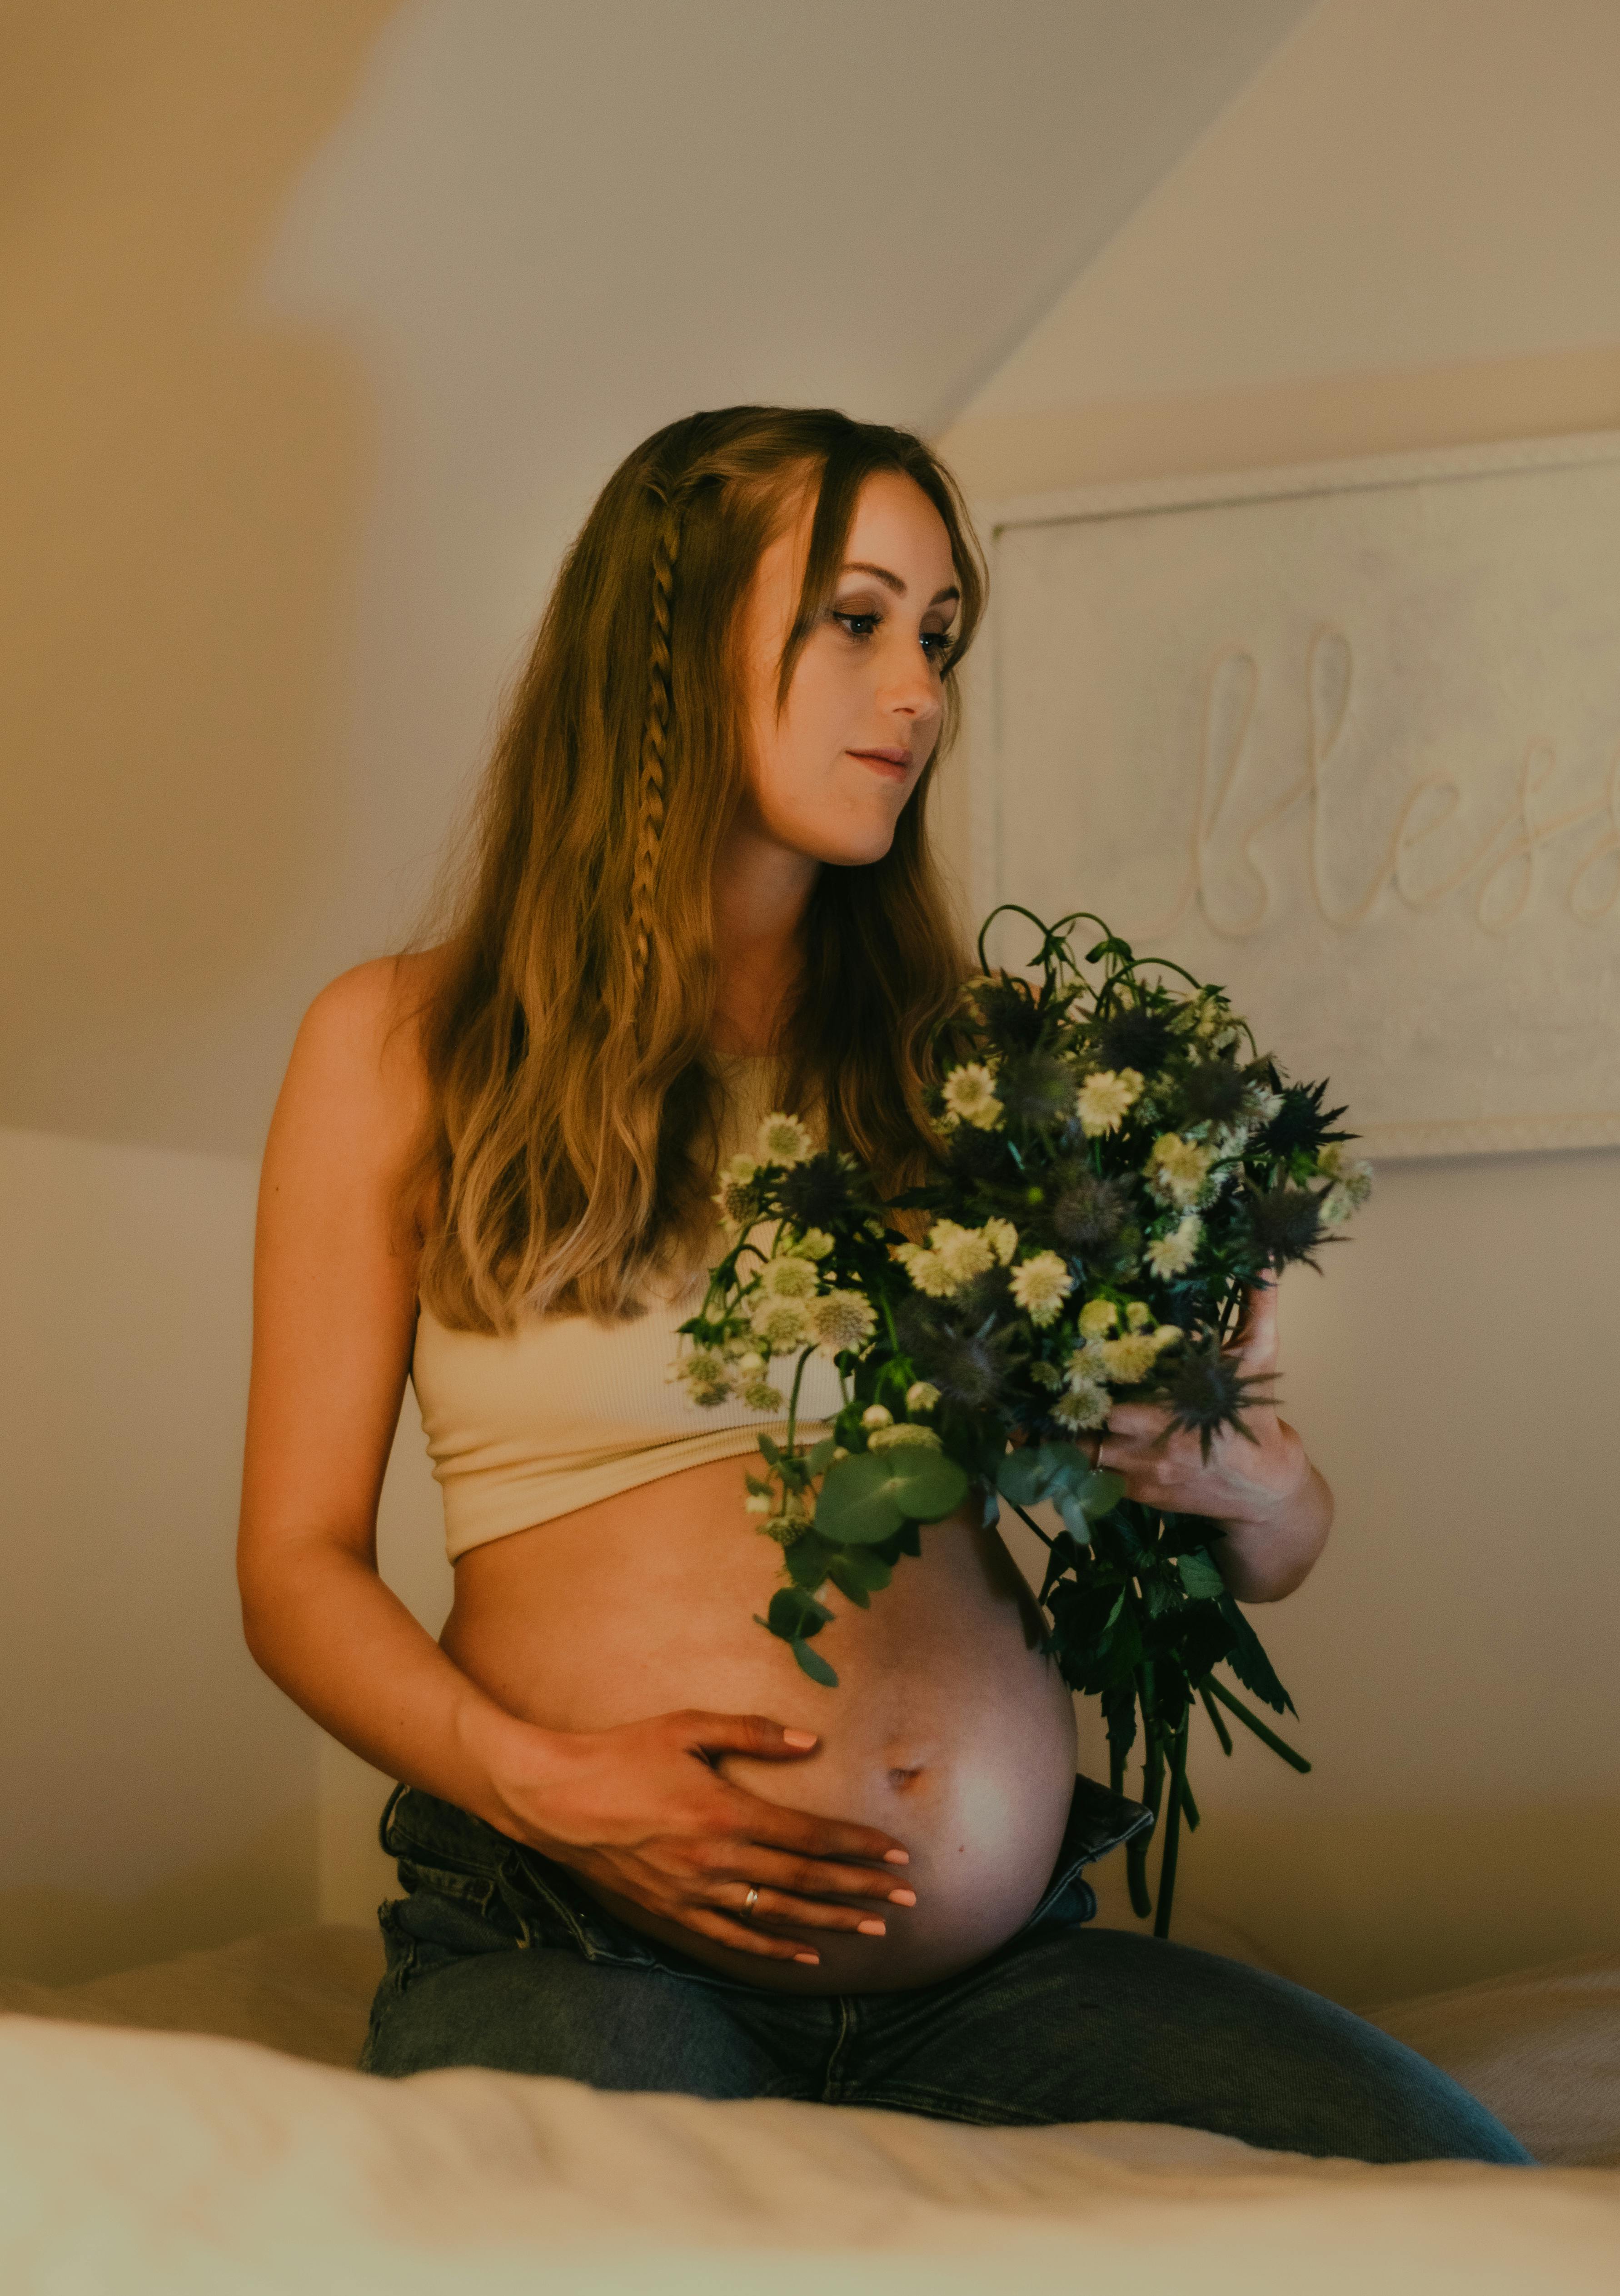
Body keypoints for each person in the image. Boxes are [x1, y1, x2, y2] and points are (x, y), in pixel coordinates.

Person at [239, 406, 1525, 2162]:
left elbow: (1271, 1558)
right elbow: (292, 1568)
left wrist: (1250, 1480)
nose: (918, 691)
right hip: (578, 1930)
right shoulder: (401, 1044)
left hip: (990, 1979)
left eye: (938, 635)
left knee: (1460, 2184)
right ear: (673, 633)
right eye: (856, 618)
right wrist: (547, 1784)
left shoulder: (969, 1071)